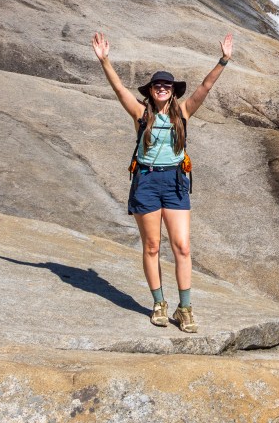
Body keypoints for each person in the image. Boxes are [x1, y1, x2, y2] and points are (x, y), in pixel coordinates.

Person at [90, 31, 234, 332]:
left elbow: (206, 87)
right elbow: (118, 89)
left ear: (173, 91)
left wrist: (223, 60)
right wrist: (105, 61)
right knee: (152, 245)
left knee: (182, 246)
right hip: (146, 181)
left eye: (167, 85)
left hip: (175, 182)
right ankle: (158, 304)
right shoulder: (141, 113)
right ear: (151, 90)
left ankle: (185, 308)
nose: (162, 88)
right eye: (157, 85)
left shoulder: (183, 112)